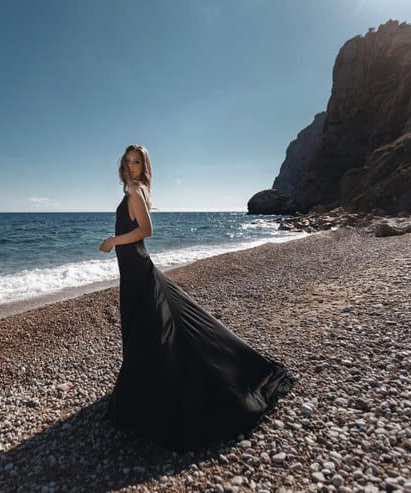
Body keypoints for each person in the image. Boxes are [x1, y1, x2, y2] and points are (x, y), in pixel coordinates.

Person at [98, 144, 295, 451]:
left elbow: (145, 231)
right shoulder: (135, 190)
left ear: (143, 166)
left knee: (146, 324)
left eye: (137, 162)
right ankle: (148, 387)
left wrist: (113, 240)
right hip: (133, 268)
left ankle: (157, 394)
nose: (131, 166)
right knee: (147, 325)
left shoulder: (136, 193)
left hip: (136, 267)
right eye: (127, 161)